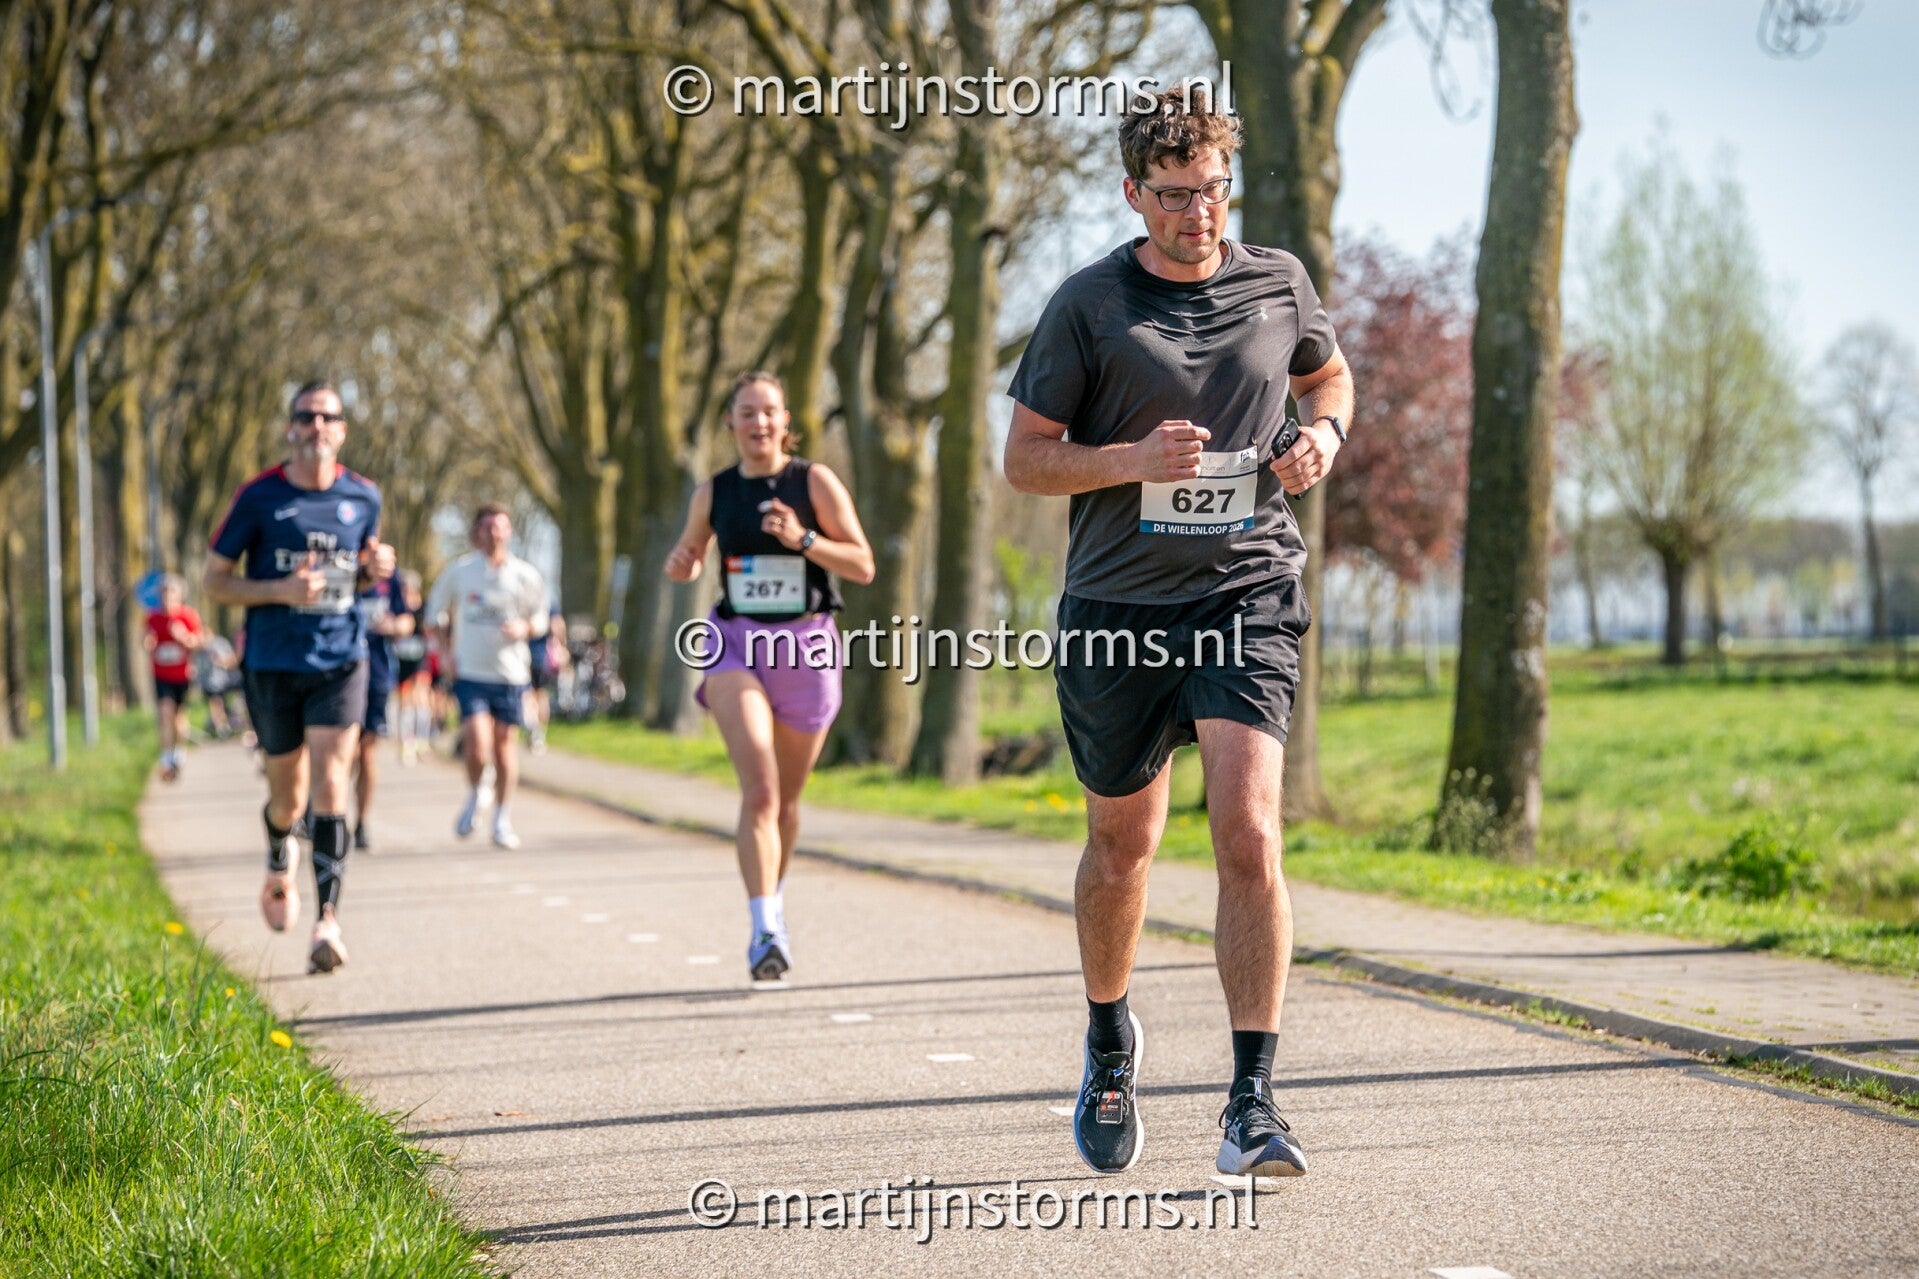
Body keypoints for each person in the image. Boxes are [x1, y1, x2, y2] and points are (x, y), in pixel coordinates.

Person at [1002, 88, 1355, 1179]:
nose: (1196, 213)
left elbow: (1326, 373)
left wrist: (1324, 436)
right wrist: (1129, 460)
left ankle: (1251, 1101)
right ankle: (1109, 1041)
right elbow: (1024, 458)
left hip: (1245, 591)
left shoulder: (1277, 280)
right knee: (1122, 847)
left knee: (1247, 832)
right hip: (1118, 610)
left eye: (1210, 190)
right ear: (1131, 193)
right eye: (1172, 195)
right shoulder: (1087, 304)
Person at [664, 371, 874, 983]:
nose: (758, 422)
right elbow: (689, 557)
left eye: (768, 411)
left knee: (785, 802)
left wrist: (804, 538)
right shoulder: (714, 492)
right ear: (730, 423)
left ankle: (771, 904)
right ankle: (765, 931)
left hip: (806, 647)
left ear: (786, 422)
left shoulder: (814, 482)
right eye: (746, 412)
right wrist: (682, 564)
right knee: (758, 791)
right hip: (735, 643)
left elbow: (862, 564)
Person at [204, 380, 394, 974]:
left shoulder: (364, 496)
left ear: (342, 430)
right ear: (290, 428)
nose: (317, 426)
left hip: (341, 658)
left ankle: (327, 921)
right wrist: (279, 590)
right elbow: (214, 581)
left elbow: (359, 574)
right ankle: (278, 847)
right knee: (288, 797)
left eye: (328, 417)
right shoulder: (259, 496)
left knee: (333, 782)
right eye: (307, 416)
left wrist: (374, 569)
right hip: (273, 662)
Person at [425, 504, 549, 850]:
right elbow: (434, 615)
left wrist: (524, 628)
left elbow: (541, 619)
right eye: (487, 527)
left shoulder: (525, 575)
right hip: (470, 672)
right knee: (477, 746)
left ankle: (502, 819)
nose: (494, 533)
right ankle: (478, 790)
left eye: (499, 527)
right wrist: (445, 654)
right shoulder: (461, 571)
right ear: (477, 532)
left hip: (511, 674)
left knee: (505, 748)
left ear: (509, 532)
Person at [352, 562, 417, 849]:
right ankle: (326, 814)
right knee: (341, 752)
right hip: (337, 673)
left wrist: (394, 626)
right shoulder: (336, 563)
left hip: (376, 675)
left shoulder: (389, 576)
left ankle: (360, 823)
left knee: (366, 754)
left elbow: (407, 620)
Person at [144, 574, 205, 782]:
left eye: (170, 592)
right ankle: (166, 758)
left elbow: (199, 641)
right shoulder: (152, 618)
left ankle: (179, 752)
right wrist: (148, 643)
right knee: (165, 712)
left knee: (179, 716)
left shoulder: (188, 616)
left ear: (179, 595)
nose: (166, 596)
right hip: (160, 674)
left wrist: (184, 637)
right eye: (163, 592)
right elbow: (145, 642)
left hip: (182, 674)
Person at [391, 571, 431, 764]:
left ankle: (422, 742)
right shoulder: (397, 608)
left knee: (422, 699)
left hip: (420, 661)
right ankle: (406, 744)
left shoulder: (425, 609)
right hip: (402, 663)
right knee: (405, 703)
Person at [523, 606, 567, 754]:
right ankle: (539, 733)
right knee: (541, 695)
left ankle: (533, 728)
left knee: (530, 695)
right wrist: (561, 645)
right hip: (541, 658)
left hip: (526, 657)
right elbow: (557, 625)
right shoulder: (548, 600)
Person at [193, 629, 244, 740]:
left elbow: (232, 659)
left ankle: (225, 726)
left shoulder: (221, 643)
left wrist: (221, 661)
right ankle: (221, 727)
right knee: (216, 702)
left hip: (225, 679)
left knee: (221, 703)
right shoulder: (198, 647)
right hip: (208, 682)